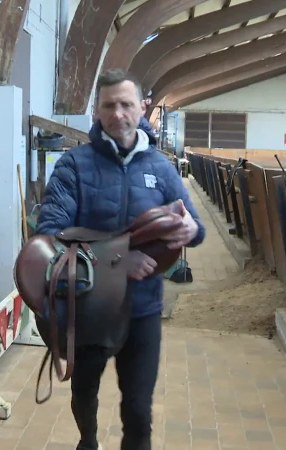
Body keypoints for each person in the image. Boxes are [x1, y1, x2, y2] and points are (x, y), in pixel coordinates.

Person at [36, 69, 207, 450]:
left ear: (142, 108)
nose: (118, 114)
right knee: (84, 396)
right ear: (97, 111)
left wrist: (190, 232)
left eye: (126, 105)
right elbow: (50, 234)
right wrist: (117, 262)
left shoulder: (161, 167)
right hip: (88, 307)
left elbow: (196, 225)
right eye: (109, 105)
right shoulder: (74, 166)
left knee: (139, 412)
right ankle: (89, 442)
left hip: (143, 308)